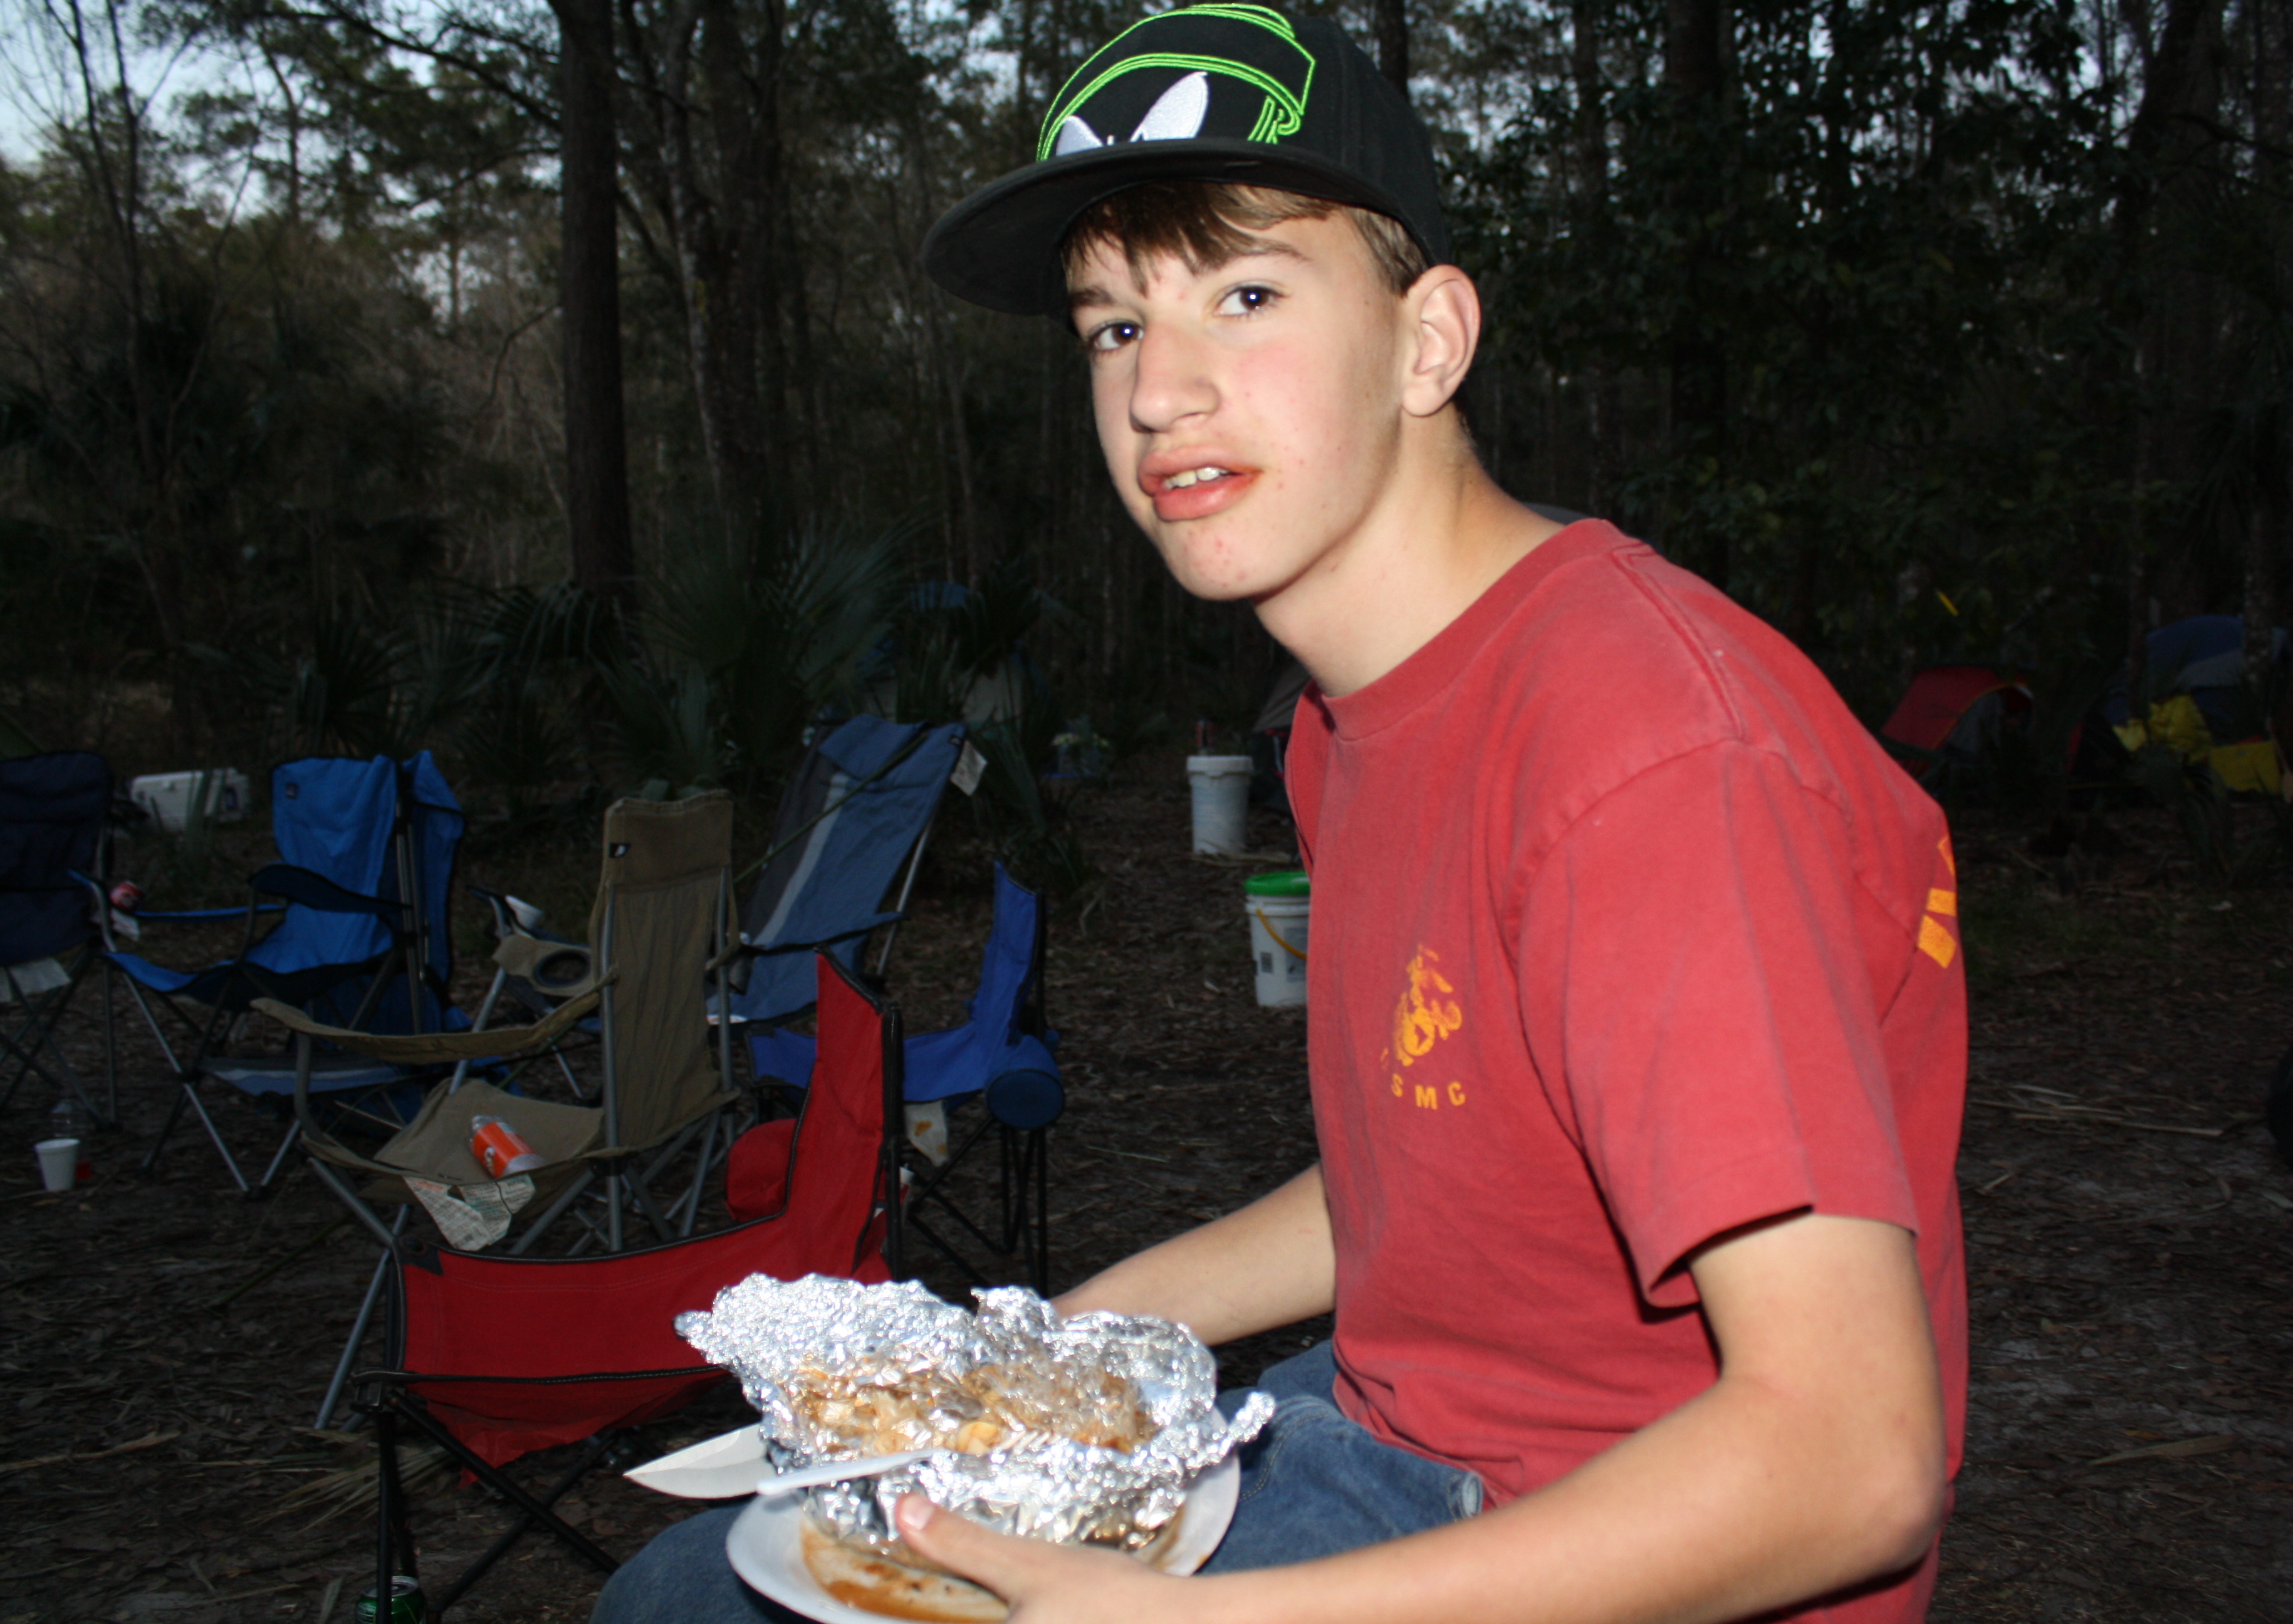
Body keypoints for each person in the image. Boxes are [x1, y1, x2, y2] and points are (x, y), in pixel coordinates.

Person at [594, 8, 1966, 1623]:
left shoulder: (1649, 757)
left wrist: (1194, 1620)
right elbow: (1434, 1187)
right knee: (695, 1590)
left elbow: (1851, 1463)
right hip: (1395, 1421)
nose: (1159, 392)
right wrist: (1034, 1352)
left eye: (1244, 296)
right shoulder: (1345, 719)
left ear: (1428, 341)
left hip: (1595, 1530)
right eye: (1114, 326)